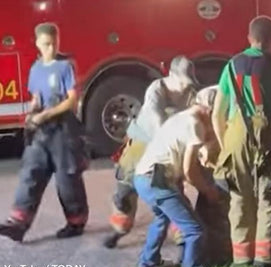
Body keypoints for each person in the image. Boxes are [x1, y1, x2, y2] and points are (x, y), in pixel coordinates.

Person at [211, 16, 271, 267]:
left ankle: (242, 261)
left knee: (239, 199)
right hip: (268, 138)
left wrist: (226, 146)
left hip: (234, 139)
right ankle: (267, 262)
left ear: (249, 38)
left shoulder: (230, 66)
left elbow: (218, 114)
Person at [0, 22, 89, 242]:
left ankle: (76, 222)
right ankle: (19, 223)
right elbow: (36, 98)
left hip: (64, 131)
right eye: (46, 44)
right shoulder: (35, 69)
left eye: (54, 43)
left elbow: (71, 101)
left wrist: (46, 115)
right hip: (41, 131)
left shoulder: (65, 66)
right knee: (31, 172)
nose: (51, 48)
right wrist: (32, 113)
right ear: (38, 43)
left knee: (67, 179)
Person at [104, 56, 197, 249]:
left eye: (188, 83)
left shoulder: (190, 94)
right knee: (125, 190)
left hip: (166, 150)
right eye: (181, 82)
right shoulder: (156, 90)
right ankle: (119, 229)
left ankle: (182, 239)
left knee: (173, 192)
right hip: (142, 143)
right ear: (170, 75)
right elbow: (158, 121)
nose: (184, 87)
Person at [133, 90, 221, 267]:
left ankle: (148, 261)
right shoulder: (195, 124)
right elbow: (190, 170)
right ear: (209, 109)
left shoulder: (179, 118)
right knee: (194, 230)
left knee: (161, 217)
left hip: (142, 177)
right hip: (157, 180)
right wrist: (208, 191)